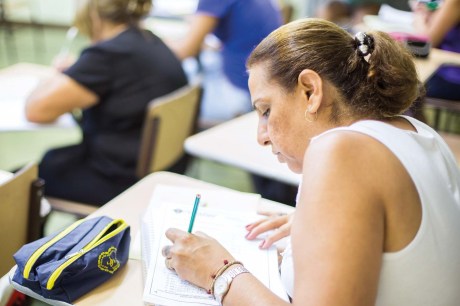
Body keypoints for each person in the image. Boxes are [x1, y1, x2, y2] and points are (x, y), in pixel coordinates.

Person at [160, 18, 460, 305]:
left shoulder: (342, 152)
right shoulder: (417, 131)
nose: (261, 136)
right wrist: (329, 222)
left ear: (310, 91)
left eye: (266, 110)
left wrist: (218, 271)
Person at [25, 0, 188, 206]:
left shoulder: (106, 56)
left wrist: (56, 76)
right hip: (162, 168)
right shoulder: (151, 41)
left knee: (26, 179)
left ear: (93, 13)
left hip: (119, 180)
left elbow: (36, 111)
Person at [168, 0, 282, 125]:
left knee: (168, 93)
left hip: (239, 92)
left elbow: (185, 51)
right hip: (266, 86)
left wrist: (154, 42)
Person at [412, 0, 460, 101]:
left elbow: (426, 42)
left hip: (452, 77)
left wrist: (419, 15)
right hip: (449, 69)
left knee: (401, 86)